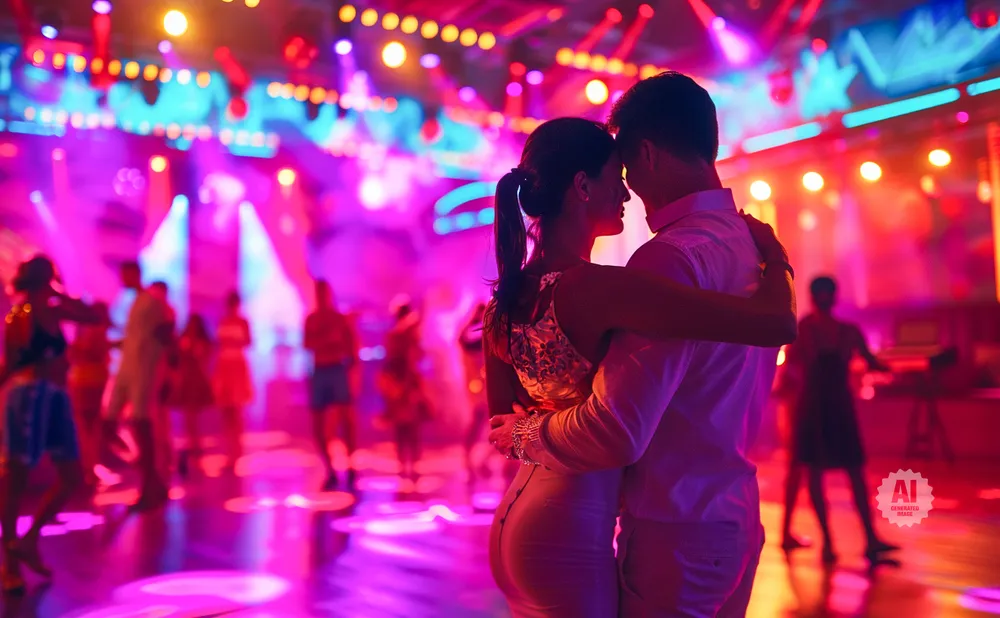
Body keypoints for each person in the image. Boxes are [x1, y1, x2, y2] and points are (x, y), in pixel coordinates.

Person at [485, 81, 796, 617]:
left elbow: (502, 417)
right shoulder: (722, 253)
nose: (626, 190)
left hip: (560, 515)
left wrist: (521, 433)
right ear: (583, 188)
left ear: (647, 152)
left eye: (627, 168)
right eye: (616, 178)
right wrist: (779, 263)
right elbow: (772, 324)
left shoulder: (508, 297)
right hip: (688, 519)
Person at [780, 276, 899, 565]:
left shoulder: (803, 330)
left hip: (813, 409)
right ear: (835, 296)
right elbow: (874, 363)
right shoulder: (847, 331)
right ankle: (868, 540)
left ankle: (830, 544)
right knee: (852, 473)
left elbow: (790, 373)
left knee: (814, 473)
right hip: (836, 408)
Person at [0, 256, 100, 594]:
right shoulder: (20, 315)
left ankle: (27, 542)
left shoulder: (54, 309)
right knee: (15, 479)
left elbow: (95, 315)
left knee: (72, 475)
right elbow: (12, 363)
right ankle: (9, 565)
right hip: (28, 395)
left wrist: (63, 295)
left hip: (55, 396)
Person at [104, 262, 174, 511]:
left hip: (143, 371)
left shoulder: (152, 301)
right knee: (109, 425)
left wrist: (167, 373)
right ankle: (152, 479)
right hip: (127, 369)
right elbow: (138, 338)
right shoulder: (135, 303)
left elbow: (166, 334)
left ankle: (149, 485)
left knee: (140, 423)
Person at [303, 279, 359, 491]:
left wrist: (351, 373)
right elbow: (308, 344)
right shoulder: (312, 320)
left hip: (336, 370)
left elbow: (350, 348)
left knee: (347, 421)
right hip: (321, 371)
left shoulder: (339, 319)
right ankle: (330, 470)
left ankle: (351, 466)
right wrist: (327, 341)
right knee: (318, 426)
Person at [378, 301, 429, 483]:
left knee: (406, 426)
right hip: (402, 383)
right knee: (406, 427)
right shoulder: (400, 335)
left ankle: (408, 465)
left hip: (403, 383)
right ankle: (408, 465)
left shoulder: (400, 335)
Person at [67, 301, 112, 488]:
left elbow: (87, 353)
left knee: (87, 425)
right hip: (88, 379)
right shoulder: (92, 330)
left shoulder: (91, 330)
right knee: (89, 426)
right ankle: (90, 466)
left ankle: (89, 467)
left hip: (87, 380)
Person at [168, 314, 214, 478]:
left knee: (193, 416)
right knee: (189, 416)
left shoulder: (202, 343)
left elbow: (204, 358)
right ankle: (192, 445)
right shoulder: (184, 340)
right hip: (187, 379)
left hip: (195, 379)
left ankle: (195, 446)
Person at [213, 291, 252, 473]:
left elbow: (249, 342)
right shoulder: (222, 321)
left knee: (236, 413)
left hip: (237, 367)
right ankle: (228, 453)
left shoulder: (243, 322)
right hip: (224, 367)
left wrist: (234, 343)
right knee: (225, 413)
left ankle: (237, 453)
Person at [459, 302, 491, 482]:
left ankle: (482, 460)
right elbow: (461, 339)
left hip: (486, 387)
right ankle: (470, 460)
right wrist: (474, 319)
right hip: (480, 389)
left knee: (489, 424)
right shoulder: (474, 344)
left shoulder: (487, 339)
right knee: (479, 422)